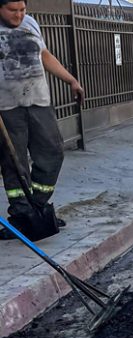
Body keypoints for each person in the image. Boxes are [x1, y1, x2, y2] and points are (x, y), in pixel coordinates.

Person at [0, 0, 84, 240]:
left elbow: (43, 55)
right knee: (14, 163)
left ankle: (37, 208)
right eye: (12, 10)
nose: (18, 15)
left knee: (53, 152)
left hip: (39, 102)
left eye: (22, 10)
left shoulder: (30, 23)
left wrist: (71, 80)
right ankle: (21, 216)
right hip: (7, 108)